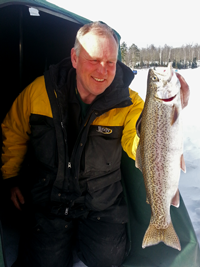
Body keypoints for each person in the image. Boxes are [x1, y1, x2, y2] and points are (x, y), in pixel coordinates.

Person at [1, 22, 189, 267]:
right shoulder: (40, 92)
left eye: (111, 61)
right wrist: (10, 178)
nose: (104, 70)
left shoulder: (129, 103)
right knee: (43, 261)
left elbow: (138, 142)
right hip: (49, 201)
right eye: (94, 60)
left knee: (109, 258)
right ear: (75, 58)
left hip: (101, 204)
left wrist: (167, 115)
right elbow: (13, 132)